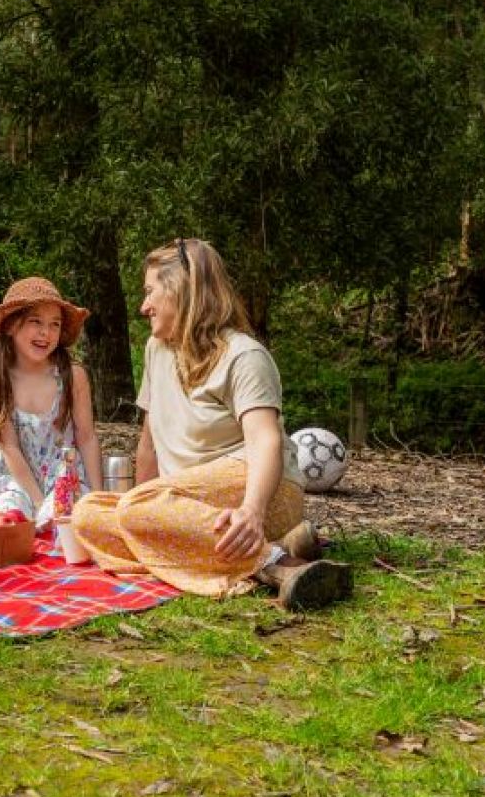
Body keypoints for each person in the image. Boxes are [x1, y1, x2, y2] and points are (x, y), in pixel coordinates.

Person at [72, 239, 351, 608]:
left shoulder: (245, 355)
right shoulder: (157, 350)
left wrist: (252, 511)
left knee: (133, 511)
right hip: (187, 505)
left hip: (264, 495)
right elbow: (149, 442)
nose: (144, 307)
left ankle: (282, 567)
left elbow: (265, 441)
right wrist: (140, 511)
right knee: (87, 514)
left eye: (150, 292)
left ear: (182, 290)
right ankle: (276, 551)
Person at [0, 277, 103, 526]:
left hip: (64, 476)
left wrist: (98, 497)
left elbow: (86, 437)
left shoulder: (72, 375)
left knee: (62, 517)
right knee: (9, 516)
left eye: (54, 324)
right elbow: (9, 447)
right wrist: (35, 501)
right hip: (16, 479)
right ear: (11, 325)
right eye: (36, 322)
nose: (46, 332)